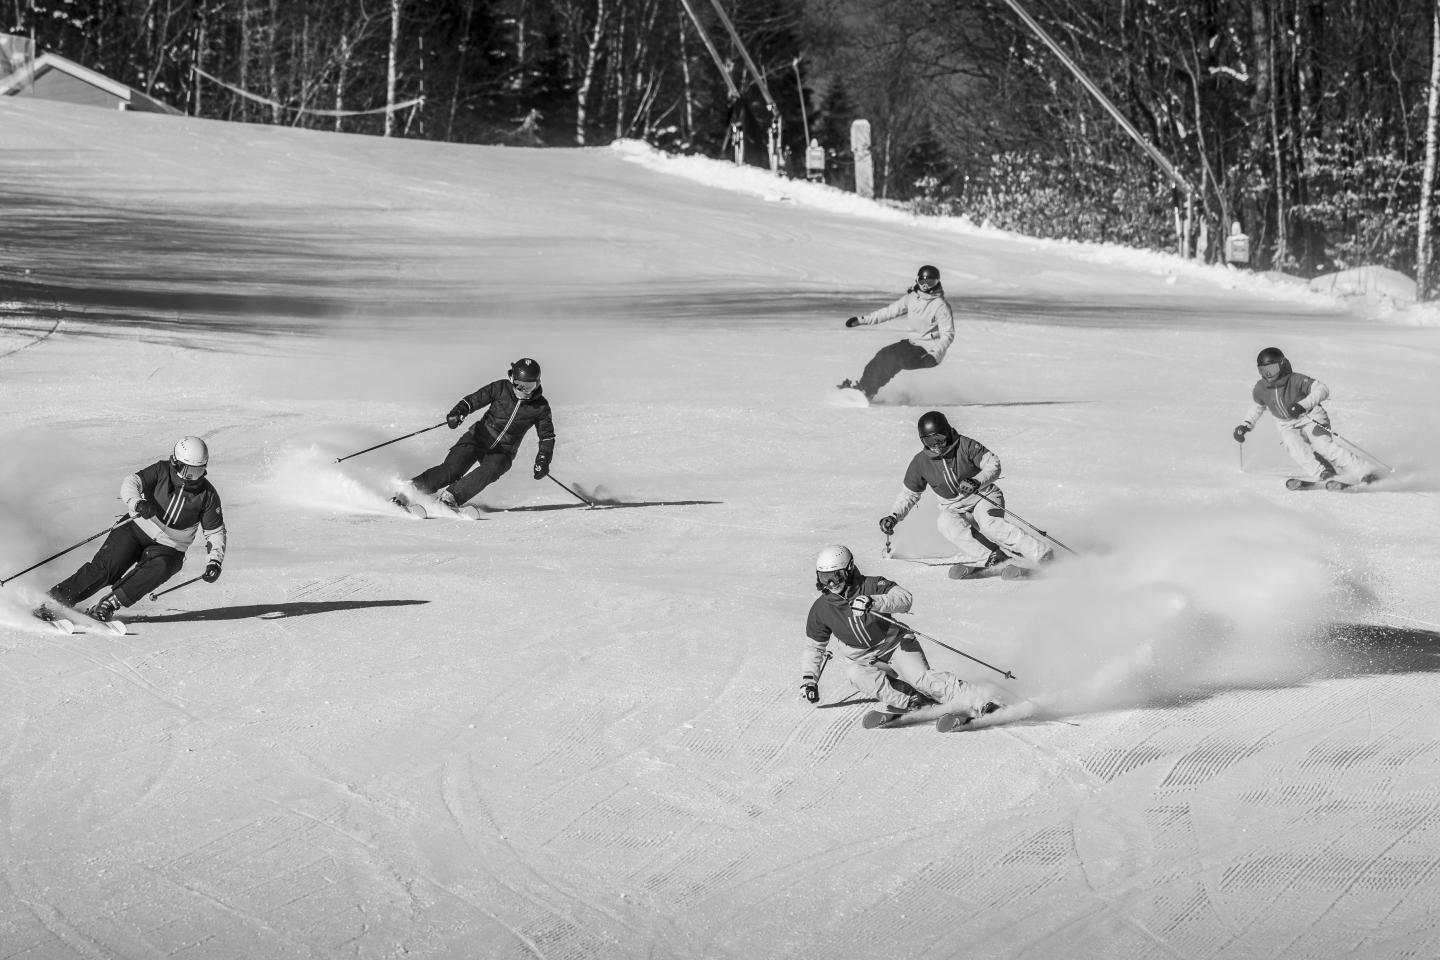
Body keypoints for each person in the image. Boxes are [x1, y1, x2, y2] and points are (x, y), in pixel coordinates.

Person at [800, 545, 1005, 719]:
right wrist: (809, 679)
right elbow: (814, 647)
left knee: (921, 678)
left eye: (836, 575)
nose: (832, 583)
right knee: (855, 674)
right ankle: (914, 701)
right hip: (862, 658)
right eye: (825, 577)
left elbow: (904, 599)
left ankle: (980, 702)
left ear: (849, 569)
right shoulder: (821, 608)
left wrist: (874, 601)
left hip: (895, 644)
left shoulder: (871, 584)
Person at [36, 436, 226, 622]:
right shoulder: (161, 470)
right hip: (136, 527)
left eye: (199, 470)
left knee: (163, 566)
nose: (193, 477)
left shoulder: (207, 495)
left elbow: (215, 532)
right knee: (107, 569)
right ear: (175, 462)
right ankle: (55, 600)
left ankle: (109, 603)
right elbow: (131, 482)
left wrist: (214, 561)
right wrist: (138, 503)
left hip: (171, 545)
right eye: (188, 470)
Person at [878, 411, 1053, 580]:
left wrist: (977, 481)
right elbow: (909, 494)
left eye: (939, 438)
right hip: (953, 506)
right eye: (929, 440)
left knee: (990, 524)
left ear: (947, 433)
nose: (936, 445)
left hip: (983, 495)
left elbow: (993, 463)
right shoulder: (920, 462)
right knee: (945, 523)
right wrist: (894, 516)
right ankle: (993, 556)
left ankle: (1042, 554)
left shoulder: (965, 445)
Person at [394, 358, 556, 510]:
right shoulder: (500, 388)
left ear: (538, 384)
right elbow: (474, 400)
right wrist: (458, 413)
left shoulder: (541, 407)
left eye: (529, 386)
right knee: (453, 469)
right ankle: (411, 489)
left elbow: (547, 437)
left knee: (491, 470)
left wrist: (543, 459)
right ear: (512, 379)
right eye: (519, 385)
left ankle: (450, 498)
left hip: (503, 451)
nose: (523, 391)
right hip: (478, 437)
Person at [1232, 347, 1374, 484]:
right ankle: (1323, 473)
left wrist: (1302, 405)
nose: (1268, 375)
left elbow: (1322, 389)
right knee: (1295, 447)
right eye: (1263, 371)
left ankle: (1364, 471)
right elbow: (1257, 406)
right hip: (1285, 424)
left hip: (1310, 416)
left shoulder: (1295, 379)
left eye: (1272, 369)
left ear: (1281, 365)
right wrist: (1246, 425)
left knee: (1324, 446)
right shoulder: (1260, 388)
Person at [837, 264, 955, 402]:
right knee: (883, 355)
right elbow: (889, 312)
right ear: (917, 280)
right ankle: (864, 388)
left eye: (930, 282)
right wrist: (862, 320)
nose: (925, 286)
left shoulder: (940, 305)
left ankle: (867, 390)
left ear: (937, 282)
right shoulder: (912, 298)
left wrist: (934, 355)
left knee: (896, 360)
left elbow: (948, 334)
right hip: (913, 344)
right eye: (922, 281)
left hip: (928, 351)